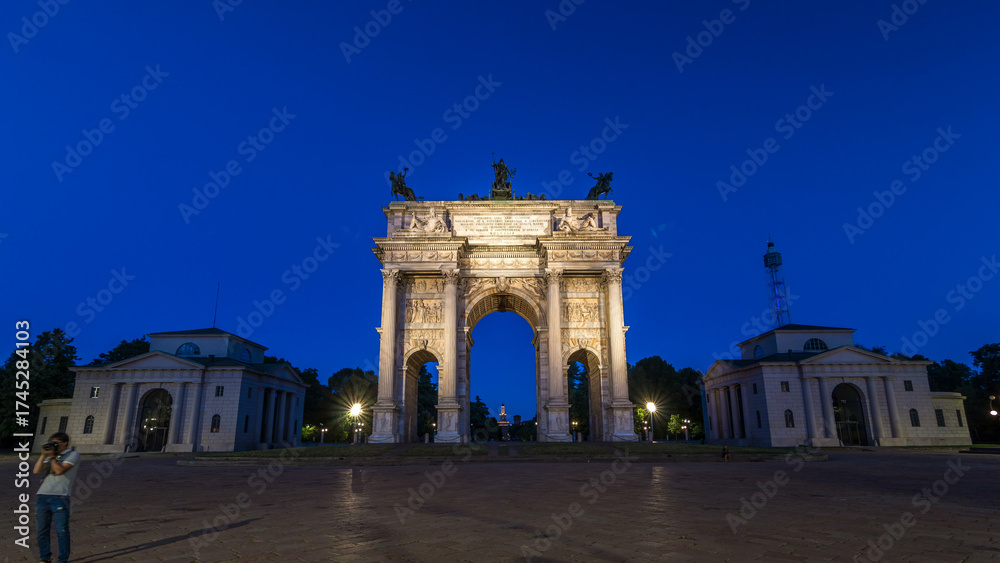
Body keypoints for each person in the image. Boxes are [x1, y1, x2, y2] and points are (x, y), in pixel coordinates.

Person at [33, 432, 80, 563]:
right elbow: (36, 471)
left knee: (62, 531)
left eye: (56, 444)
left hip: (60, 496)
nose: (53, 446)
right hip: (42, 495)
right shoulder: (52, 456)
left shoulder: (73, 455)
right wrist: (43, 454)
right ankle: (45, 558)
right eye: (51, 444)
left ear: (65, 443)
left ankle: (63, 559)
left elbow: (59, 470)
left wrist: (52, 456)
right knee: (41, 531)